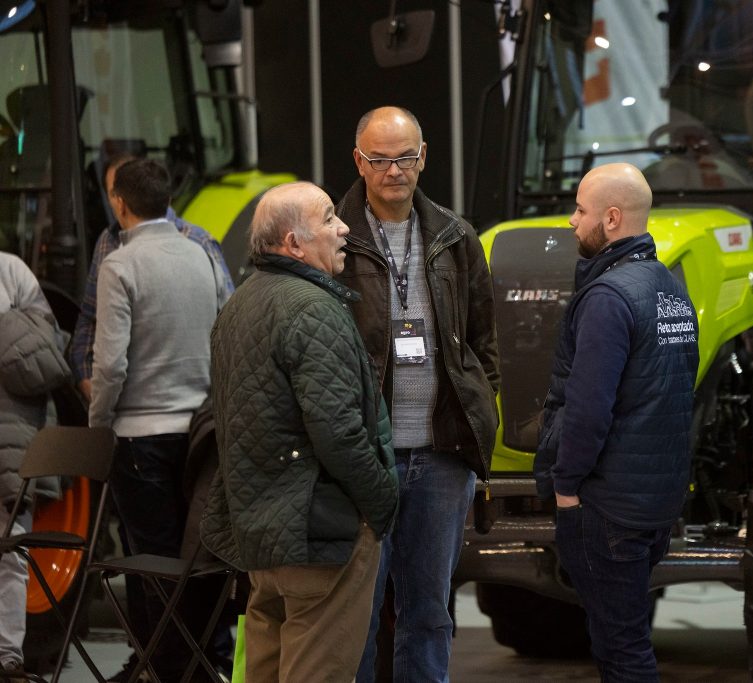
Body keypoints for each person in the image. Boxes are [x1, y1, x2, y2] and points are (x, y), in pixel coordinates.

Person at [200, 181, 399, 682]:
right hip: (319, 535)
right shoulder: (313, 308)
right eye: (330, 219)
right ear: (293, 243)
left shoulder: (240, 305)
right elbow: (338, 432)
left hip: (263, 539)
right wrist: (381, 502)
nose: (344, 229)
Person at [335, 106, 499, 682]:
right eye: (380, 159)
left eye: (405, 157)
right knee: (355, 615)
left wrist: (481, 409)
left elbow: (483, 345)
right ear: (359, 161)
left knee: (429, 612)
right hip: (364, 459)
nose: (394, 171)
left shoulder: (456, 237)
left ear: (423, 156)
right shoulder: (334, 237)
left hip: (440, 456)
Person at [533, 163, 700, 682]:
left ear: (610, 218)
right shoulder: (670, 288)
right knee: (625, 642)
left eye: (580, 211)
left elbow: (587, 407)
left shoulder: (608, 299)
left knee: (622, 652)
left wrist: (565, 488)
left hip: (606, 507)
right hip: (652, 501)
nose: (570, 221)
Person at [88, 158, 221, 682]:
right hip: (200, 434)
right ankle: (188, 663)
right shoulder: (200, 255)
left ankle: (158, 668)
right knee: (193, 559)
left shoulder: (120, 266)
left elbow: (109, 363)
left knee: (148, 561)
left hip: (139, 438)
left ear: (119, 202)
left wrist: (99, 425)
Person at [70, 153, 233, 403]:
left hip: (192, 401)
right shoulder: (107, 242)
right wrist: (85, 377)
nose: (114, 202)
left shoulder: (199, 242)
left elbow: (229, 323)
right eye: (111, 192)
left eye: (118, 194)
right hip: (125, 403)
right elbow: (90, 317)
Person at [0, 253, 70, 679]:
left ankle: (8, 655)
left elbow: (47, 352)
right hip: (18, 441)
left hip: (14, 444)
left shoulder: (10, 270)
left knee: (11, 548)